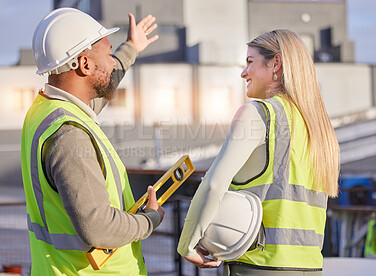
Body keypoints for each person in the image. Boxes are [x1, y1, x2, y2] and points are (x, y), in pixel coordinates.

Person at [177, 29, 340, 275]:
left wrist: (187, 244)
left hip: (258, 266)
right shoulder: (320, 131)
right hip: (311, 267)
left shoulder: (259, 114)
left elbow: (214, 184)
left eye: (250, 62)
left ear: (276, 63)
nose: (244, 73)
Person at [21, 8, 165, 275]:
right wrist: (149, 220)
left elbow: (106, 81)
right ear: (85, 64)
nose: (112, 63)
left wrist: (131, 48)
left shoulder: (47, 110)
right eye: (108, 54)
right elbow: (97, 227)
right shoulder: (68, 134)